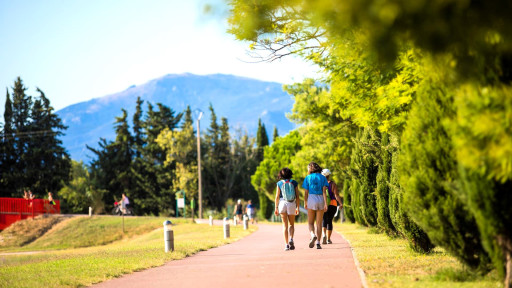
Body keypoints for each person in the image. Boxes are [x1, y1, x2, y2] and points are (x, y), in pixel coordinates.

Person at [302, 161, 328, 249]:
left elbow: (306, 193)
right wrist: (326, 204)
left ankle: (312, 235)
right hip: (320, 198)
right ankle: (318, 243)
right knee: (319, 223)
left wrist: (305, 202)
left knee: (310, 222)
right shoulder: (323, 177)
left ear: (310, 168)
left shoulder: (308, 177)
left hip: (311, 199)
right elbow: (324, 192)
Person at [274, 167, 300, 251]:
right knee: (291, 224)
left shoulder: (279, 183)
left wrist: (276, 207)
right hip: (291, 203)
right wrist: (298, 207)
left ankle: (286, 245)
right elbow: (297, 196)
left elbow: (277, 196)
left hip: (282, 203)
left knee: (284, 225)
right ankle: (291, 239)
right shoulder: (294, 182)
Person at [321, 169, 343, 244]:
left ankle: (324, 235)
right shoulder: (333, 184)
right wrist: (340, 203)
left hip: (324, 204)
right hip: (333, 204)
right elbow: (336, 195)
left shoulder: (321, 184)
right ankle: (328, 239)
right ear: (329, 175)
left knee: (324, 220)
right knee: (329, 221)